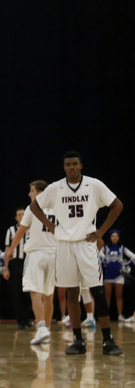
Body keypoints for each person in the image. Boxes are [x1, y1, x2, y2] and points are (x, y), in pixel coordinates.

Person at [30, 151, 123, 355]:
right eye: (67, 165)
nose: (71, 167)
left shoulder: (94, 185)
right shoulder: (55, 188)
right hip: (64, 245)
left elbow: (117, 205)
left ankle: (108, 340)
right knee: (71, 293)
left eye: (74, 164)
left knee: (98, 292)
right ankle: (78, 340)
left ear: (81, 165)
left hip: (86, 243)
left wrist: (100, 232)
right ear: (64, 167)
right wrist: (50, 225)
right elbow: (34, 205)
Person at [4, 180, 57, 345]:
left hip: (35, 254)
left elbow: (20, 232)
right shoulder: (57, 208)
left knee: (35, 292)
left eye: (31, 191)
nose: (29, 194)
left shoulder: (32, 207)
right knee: (49, 296)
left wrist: (11, 250)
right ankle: (46, 330)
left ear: (40, 193)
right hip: (54, 254)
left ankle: (41, 328)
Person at [4, 207, 32, 329]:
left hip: (29, 262)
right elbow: (6, 250)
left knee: (29, 293)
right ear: (16, 218)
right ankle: (20, 321)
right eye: (19, 215)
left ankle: (27, 318)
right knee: (17, 294)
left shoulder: (32, 229)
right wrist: (6, 268)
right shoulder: (10, 230)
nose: (21, 216)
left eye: (23, 214)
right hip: (15, 263)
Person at [101, 229, 134, 322]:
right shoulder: (105, 248)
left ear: (119, 238)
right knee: (107, 296)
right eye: (113, 236)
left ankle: (120, 316)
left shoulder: (122, 248)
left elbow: (133, 256)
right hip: (107, 276)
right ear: (110, 237)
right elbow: (97, 254)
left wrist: (126, 263)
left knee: (119, 296)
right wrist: (103, 261)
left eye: (116, 236)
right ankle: (106, 316)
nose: (115, 238)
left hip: (119, 275)